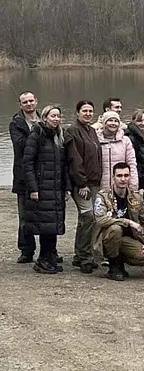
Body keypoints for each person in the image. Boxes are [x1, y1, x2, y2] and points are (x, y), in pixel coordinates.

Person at [23, 105, 69, 274]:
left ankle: (50, 257)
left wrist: (66, 188)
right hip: (42, 188)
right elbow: (27, 163)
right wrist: (33, 188)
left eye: (58, 116)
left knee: (53, 225)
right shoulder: (37, 134)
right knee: (45, 226)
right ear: (45, 118)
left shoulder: (59, 136)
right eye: (52, 116)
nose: (56, 119)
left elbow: (63, 165)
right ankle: (42, 260)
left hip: (56, 188)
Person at [93, 163, 144, 281]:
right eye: (119, 175)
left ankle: (120, 260)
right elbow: (101, 220)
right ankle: (113, 266)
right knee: (116, 229)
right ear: (113, 177)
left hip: (126, 239)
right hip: (106, 238)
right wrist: (127, 222)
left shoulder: (136, 198)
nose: (123, 179)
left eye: (126, 175)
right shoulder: (103, 196)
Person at [65, 100, 103, 273]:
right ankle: (85, 257)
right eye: (84, 111)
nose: (88, 114)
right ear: (77, 113)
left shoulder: (92, 131)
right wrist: (81, 183)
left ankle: (79, 255)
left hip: (94, 183)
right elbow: (74, 158)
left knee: (90, 219)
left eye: (90, 111)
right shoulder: (73, 131)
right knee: (88, 216)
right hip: (82, 184)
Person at [10, 91, 40, 263]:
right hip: (22, 176)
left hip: (43, 173)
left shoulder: (44, 119)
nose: (29, 104)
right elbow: (20, 144)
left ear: (36, 101)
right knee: (24, 216)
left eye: (31, 101)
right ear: (20, 105)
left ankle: (49, 250)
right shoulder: (16, 123)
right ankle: (26, 250)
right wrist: (37, 134)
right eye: (25, 102)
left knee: (46, 214)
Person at [97, 111, 138, 191]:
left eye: (116, 121)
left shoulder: (125, 141)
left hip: (121, 186)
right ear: (104, 123)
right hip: (100, 187)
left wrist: (133, 185)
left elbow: (131, 163)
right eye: (110, 120)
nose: (113, 123)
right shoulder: (95, 140)